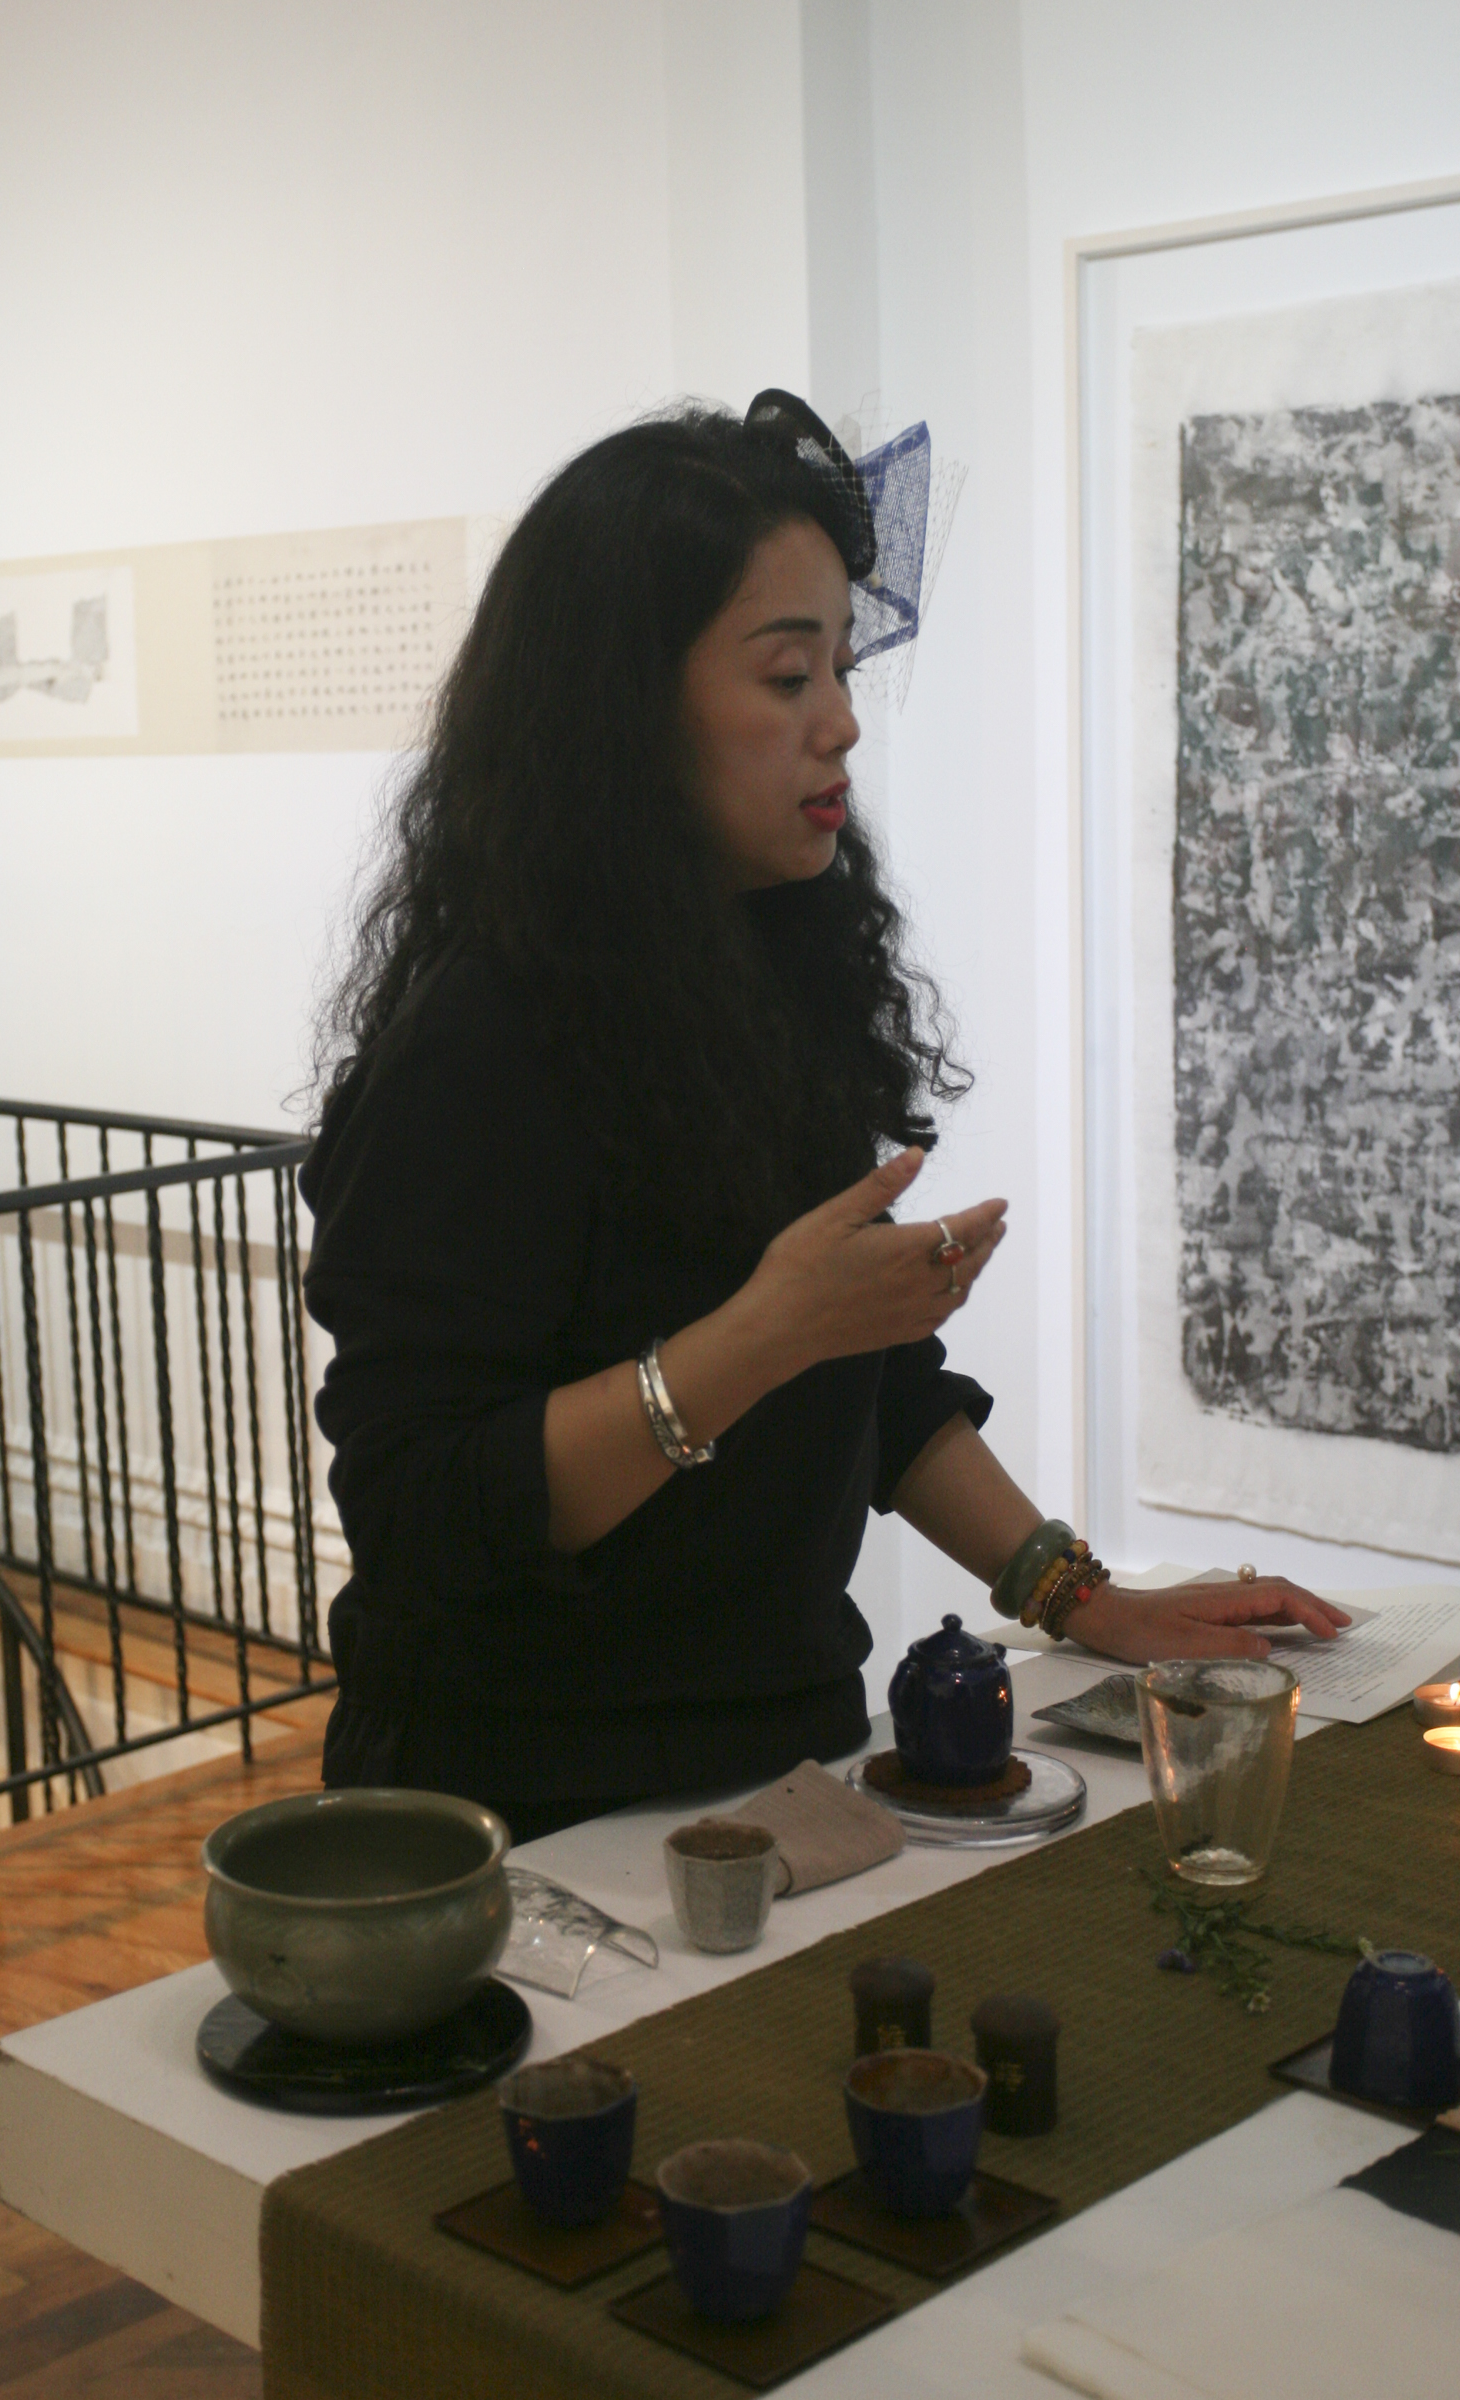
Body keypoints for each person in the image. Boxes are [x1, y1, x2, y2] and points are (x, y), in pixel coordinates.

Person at [300, 395, 1345, 1842]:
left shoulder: (769, 969)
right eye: (789, 675)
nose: (843, 722)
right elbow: (428, 1504)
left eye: (843, 668)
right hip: (523, 1818)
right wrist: (763, 1335)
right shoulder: (481, 1041)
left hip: (782, 1774)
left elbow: (877, 1383)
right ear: (621, 704)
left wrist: (1082, 1599)